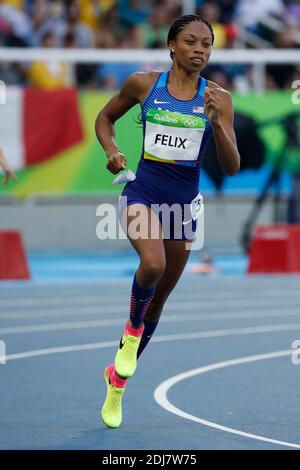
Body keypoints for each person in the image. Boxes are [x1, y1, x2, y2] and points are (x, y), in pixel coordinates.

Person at [95, 14, 240, 429]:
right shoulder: (144, 84)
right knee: (152, 265)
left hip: (183, 206)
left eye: (207, 44)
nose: (200, 49)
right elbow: (104, 119)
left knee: (160, 299)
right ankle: (131, 327)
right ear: (171, 46)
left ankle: (117, 382)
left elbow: (231, 167)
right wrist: (113, 150)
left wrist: (217, 124)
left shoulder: (219, 98)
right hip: (143, 194)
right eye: (191, 41)